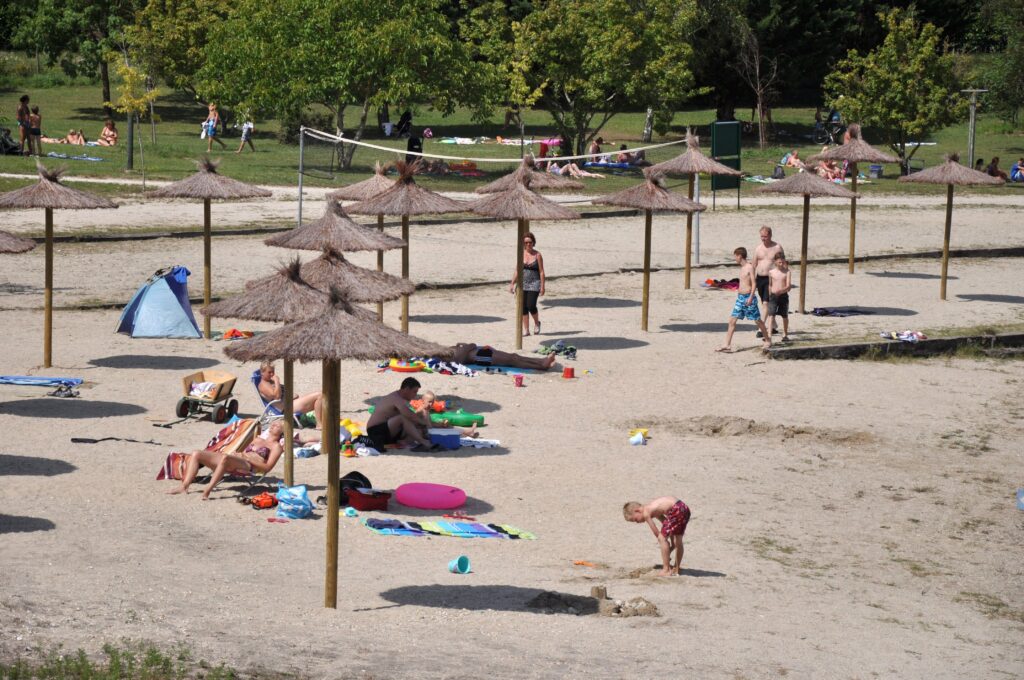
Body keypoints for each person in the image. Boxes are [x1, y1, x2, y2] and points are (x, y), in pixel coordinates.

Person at [168, 419, 286, 499]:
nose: (272, 425)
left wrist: (249, 460)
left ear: (282, 431)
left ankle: (208, 490)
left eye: (277, 426)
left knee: (225, 459)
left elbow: (268, 468)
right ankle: (184, 486)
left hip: (250, 466)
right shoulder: (257, 439)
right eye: (273, 423)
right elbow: (243, 452)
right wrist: (238, 454)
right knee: (196, 453)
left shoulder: (276, 447)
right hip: (238, 459)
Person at [717, 247, 770, 353]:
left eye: (735, 256)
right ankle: (727, 344)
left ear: (740, 256)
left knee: (758, 321)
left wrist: (751, 297)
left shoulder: (749, 267)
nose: (735, 259)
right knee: (732, 320)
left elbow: (754, 284)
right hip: (740, 299)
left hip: (748, 298)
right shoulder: (741, 268)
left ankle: (768, 340)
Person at [623, 496, 691, 576]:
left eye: (635, 519)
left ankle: (666, 570)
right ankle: (677, 568)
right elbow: (665, 521)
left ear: (637, 511)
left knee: (662, 538)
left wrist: (663, 541)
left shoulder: (646, 512)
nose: (637, 522)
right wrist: (671, 542)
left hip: (676, 510)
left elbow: (656, 532)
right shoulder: (653, 508)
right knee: (677, 540)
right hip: (683, 508)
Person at [365, 377, 437, 452]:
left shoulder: (402, 399)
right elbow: (410, 415)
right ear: (406, 389)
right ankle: (424, 442)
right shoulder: (396, 398)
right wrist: (424, 423)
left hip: (389, 431)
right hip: (375, 431)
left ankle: (406, 442)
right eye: (414, 392)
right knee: (403, 418)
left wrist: (432, 424)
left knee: (417, 427)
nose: (415, 395)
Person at [256, 361, 322, 426]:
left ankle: (321, 422)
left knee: (319, 399)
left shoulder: (270, 382)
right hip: (287, 408)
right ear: (262, 372)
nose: (272, 374)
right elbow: (277, 397)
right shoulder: (263, 385)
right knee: (319, 395)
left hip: (291, 403)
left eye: (273, 371)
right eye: (269, 372)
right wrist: (277, 381)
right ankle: (319, 424)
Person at [510, 231, 545, 336]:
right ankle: (526, 330)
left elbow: (542, 271)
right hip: (522, 283)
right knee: (523, 307)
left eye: (530, 242)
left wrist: (542, 286)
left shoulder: (538, 255)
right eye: (526, 242)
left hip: (535, 282)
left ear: (533, 242)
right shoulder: (521, 254)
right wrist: (512, 283)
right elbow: (517, 270)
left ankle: (537, 323)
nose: (528, 244)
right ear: (523, 244)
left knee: (531, 305)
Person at [751, 226, 784, 335]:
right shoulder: (758, 248)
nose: (763, 239)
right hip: (760, 279)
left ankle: (761, 328)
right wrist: (751, 279)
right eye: (762, 236)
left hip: (771, 279)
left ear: (770, 235)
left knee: (766, 303)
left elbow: (782, 264)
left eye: (765, 236)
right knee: (765, 303)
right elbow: (754, 264)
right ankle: (773, 326)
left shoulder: (777, 247)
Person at [451, 343, 557, 371]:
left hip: (480, 354)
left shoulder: (447, 352)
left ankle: (542, 361)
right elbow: (461, 357)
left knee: (513, 357)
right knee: (512, 359)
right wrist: (471, 345)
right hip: (480, 357)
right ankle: (542, 365)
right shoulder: (449, 356)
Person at [766, 253, 792, 342]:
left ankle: (785, 333)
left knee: (784, 315)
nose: (781, 263)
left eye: (782, 261)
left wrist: (781, 291)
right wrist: (770, 293)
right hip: (773, 296)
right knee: (771, 315)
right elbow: (769, 284)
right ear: (775, 262)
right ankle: (769, 334)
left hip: (783, 296)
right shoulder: (771, 272)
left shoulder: (787, 272)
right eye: (779, 262)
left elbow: (788, 286)